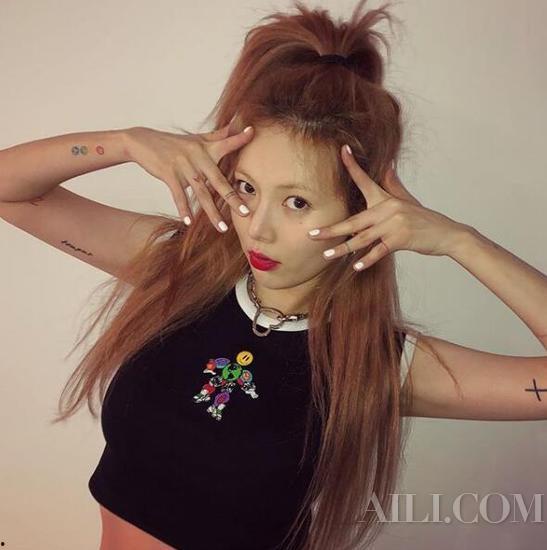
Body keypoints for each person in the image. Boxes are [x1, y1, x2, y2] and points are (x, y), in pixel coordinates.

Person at [1, 1, 546, 549]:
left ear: (362, 211)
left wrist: (460, 241)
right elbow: (11, 192)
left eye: (296, 202)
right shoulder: (182, 272)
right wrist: (122, 143)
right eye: (247, 189)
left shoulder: (370, 361)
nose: (257, 227)